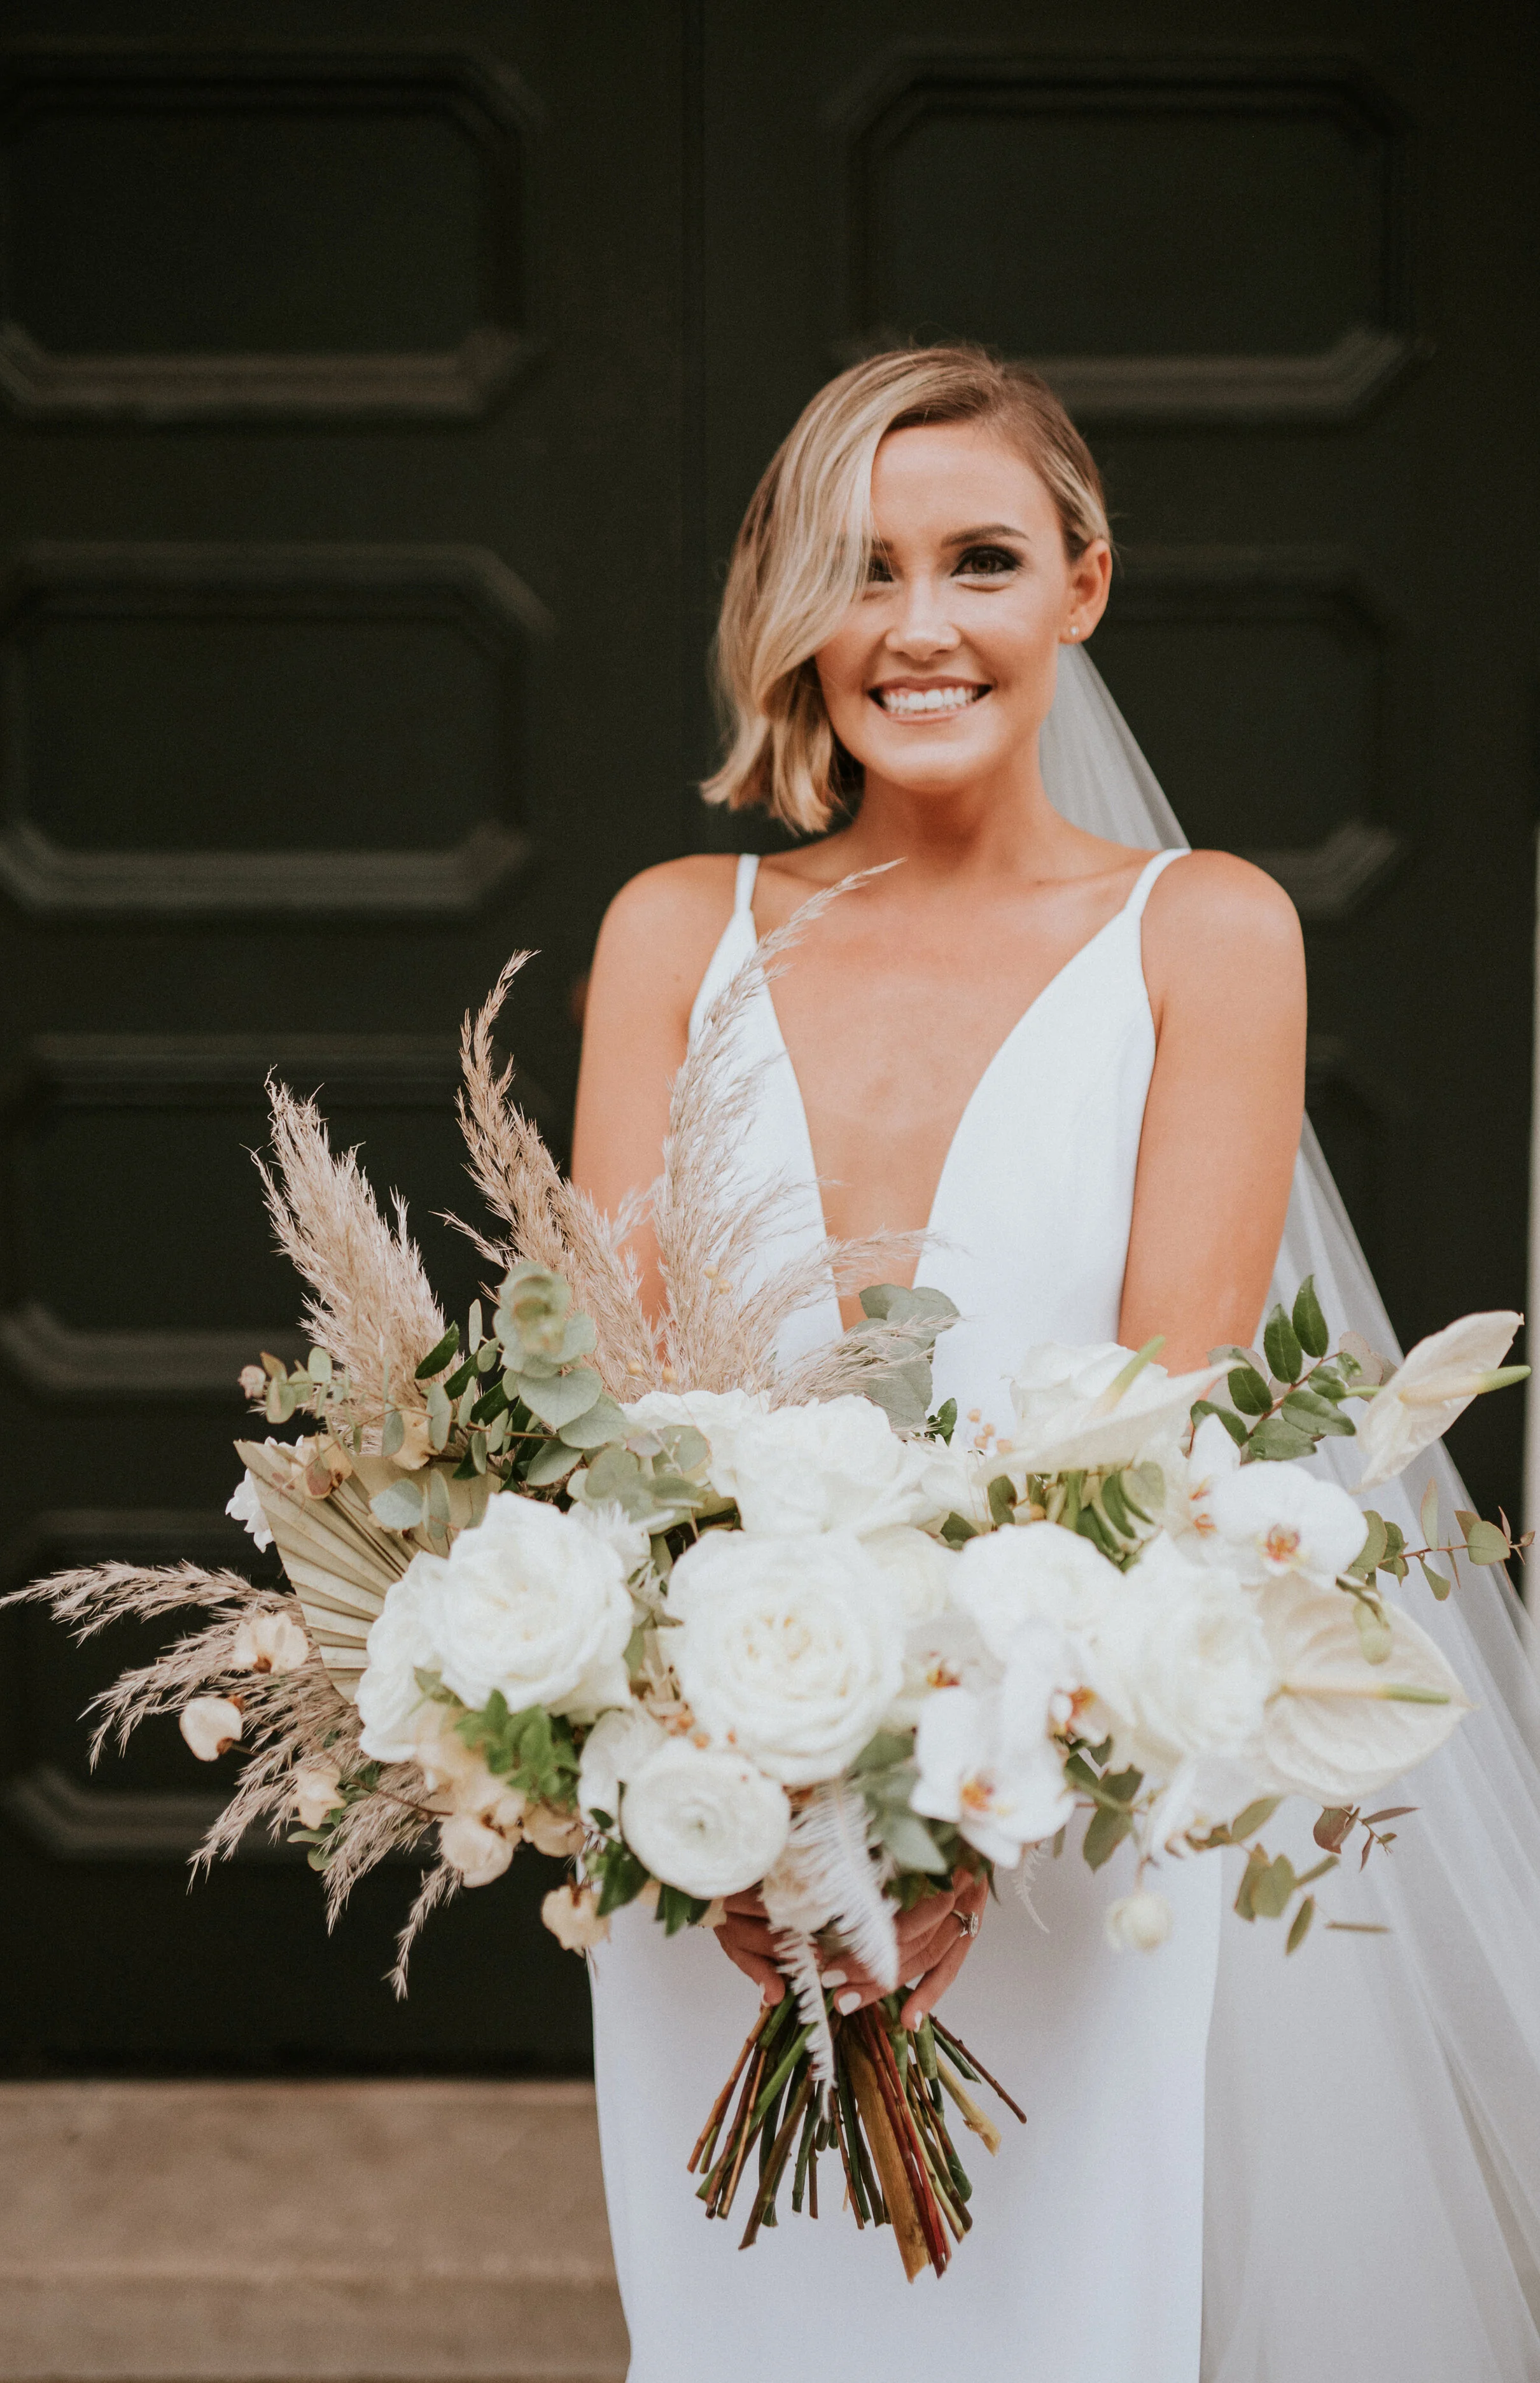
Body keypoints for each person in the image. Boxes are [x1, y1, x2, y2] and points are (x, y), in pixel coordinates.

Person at [571, 349, 1540, 2380]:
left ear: (1081, 586)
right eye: (861, 567)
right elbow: (616, 1412)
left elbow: (1167, 1445)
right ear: (792, 604)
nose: (917, 628)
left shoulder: (1206, 934)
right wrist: (734, 1808)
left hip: (1067, 1816)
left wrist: (959, 1842)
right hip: (722, 1840)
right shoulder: (674, 931)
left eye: (980, 561)